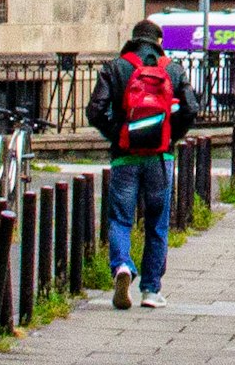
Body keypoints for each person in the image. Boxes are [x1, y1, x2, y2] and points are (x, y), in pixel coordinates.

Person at [86, 19, 198, 307]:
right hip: (160, 157)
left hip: (125, 156)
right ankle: (151, 290)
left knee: (121, 218)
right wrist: (170, 134)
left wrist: (118, 134)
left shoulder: (116, 67)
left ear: (133, 39)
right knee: (157, 223)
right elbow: (191, 107)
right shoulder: (172, 69)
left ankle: (122, 265)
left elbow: (95, 110)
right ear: (159, 40)